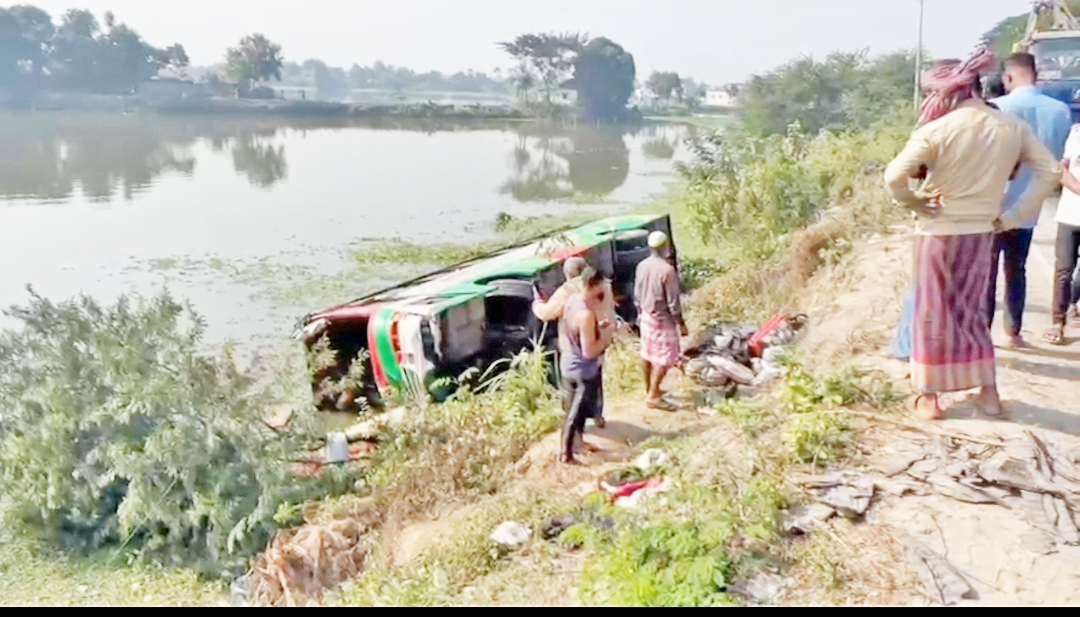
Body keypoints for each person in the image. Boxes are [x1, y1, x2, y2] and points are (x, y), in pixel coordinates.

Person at [884, 48, 1060, 421]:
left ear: (950, 92)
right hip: (983, 231)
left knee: (932, 313)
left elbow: (893, 177)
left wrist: (916, 204)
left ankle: (930, 399)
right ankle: (988, 395)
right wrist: (1014, 216)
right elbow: (1048, 172)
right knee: (970, 314)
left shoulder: (937, 129)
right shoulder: (1010, 127)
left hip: (937, 232)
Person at [988, 53, 1072, 347]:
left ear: (1008, 77)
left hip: (994, 204)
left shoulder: (997, 107)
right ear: (1035, 75)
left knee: (987, 271)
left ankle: (984, 334)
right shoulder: (1061, 111)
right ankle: (1013, 332)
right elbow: (1056, 163)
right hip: (1031, 204)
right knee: (1016, 269)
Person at [532, 256, 616, 428]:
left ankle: (575, 430)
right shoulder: (604, 284)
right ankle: (597, 414)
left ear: (568, 275)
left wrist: (537, 302)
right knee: (595, 379)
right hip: (601, 338)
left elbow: (546, 313)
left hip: (576, 347)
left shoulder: (568, 290)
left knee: (574, 391)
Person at [558, 266, 615, 464]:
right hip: (582, 369)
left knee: (575, 409)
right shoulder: (586, 315)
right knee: (575, 414)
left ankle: (577, 444)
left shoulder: (571, 301)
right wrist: (606, 338)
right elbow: (589, 351)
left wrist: (596, 329)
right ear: (596, 285)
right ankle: (565, 453)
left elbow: (569, 331)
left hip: (568, 361)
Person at [634, 230, 687, 411]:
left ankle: (649, 388)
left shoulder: (642, 265)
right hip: (662, 319)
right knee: (666, 357)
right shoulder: (667, 270)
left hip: (646, 316)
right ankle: (654, 395)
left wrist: (639, 312)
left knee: (647, 354)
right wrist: (681, 323)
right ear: (665, 247)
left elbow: (637, 293)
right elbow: (673, 302)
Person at [1046, 123, 1080, 344]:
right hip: (1070, 214)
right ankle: (1057, 323)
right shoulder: (1076, 133)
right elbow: (1062, 168)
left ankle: (1074, 303)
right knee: (1064, 270)